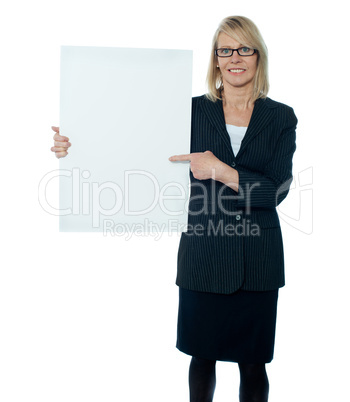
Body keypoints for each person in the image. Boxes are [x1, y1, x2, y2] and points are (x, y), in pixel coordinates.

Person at [51, 16, 297, 402]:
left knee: (253, 364)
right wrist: (77, 142)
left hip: (258, 260)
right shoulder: (190, 111)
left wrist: (220, 170)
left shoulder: (281, 117)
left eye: (244, 48)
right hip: (204, 253)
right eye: (225, 49)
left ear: (258, 56)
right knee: (201, 358)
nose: (235, 57)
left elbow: (276, 190)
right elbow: (132, 140)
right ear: (215, 59)